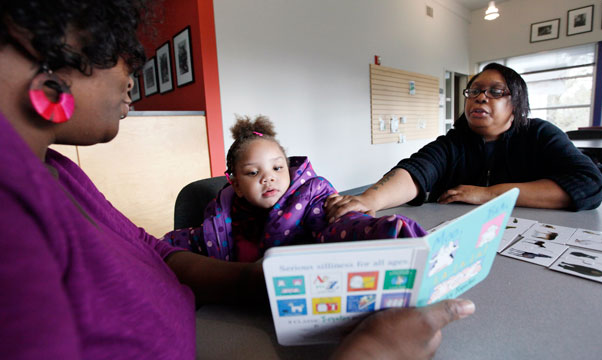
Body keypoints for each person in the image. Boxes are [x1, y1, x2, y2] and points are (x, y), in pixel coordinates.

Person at [0, 1, 473, 359]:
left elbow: (159, 253)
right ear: (34, 34)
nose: (133, 73)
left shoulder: (55, 168)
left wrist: (269, 286)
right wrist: (370, 353)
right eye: (111, 42)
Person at [325, 63, 602, 222]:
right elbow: (417, 170)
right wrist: (367, 199)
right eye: (474, 91)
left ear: (517, 105)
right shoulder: (454, 142)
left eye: (495, 92)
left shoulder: (540, 134)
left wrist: (488, 194)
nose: (480, 98)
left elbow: (588, 184)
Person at [163, 115, 426, 262]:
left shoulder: (309, 201)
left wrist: (385, 231)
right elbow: (191, 240)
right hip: (241, 308)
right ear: (236, 185)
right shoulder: (221, 219)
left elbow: (339, 226)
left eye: (277, 168)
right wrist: (154, 247)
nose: (269, 178)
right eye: (254, 173)